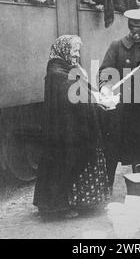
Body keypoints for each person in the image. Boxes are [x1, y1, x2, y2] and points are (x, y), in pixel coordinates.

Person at [33, 35, 110, 219]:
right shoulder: (57, 72)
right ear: (64, 50)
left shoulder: (65, 68)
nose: (76, 55)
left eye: (77, 51)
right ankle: (56, 208)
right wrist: (95, 99)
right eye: (74, 51)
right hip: (64, 132)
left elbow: (82, 88)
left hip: (70, 128)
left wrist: (96, 96)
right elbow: (74, 93)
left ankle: (77, 203)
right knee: (64, 165)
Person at [99, 9, 140, 187]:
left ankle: (138, 189)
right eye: (133, 30)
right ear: (129, 27)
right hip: (119, 111)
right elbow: (105, 71)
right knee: (111, 153)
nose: (136, 35)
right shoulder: (116, 46)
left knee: (139, 155)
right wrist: (106, 87)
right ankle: (106, 190)